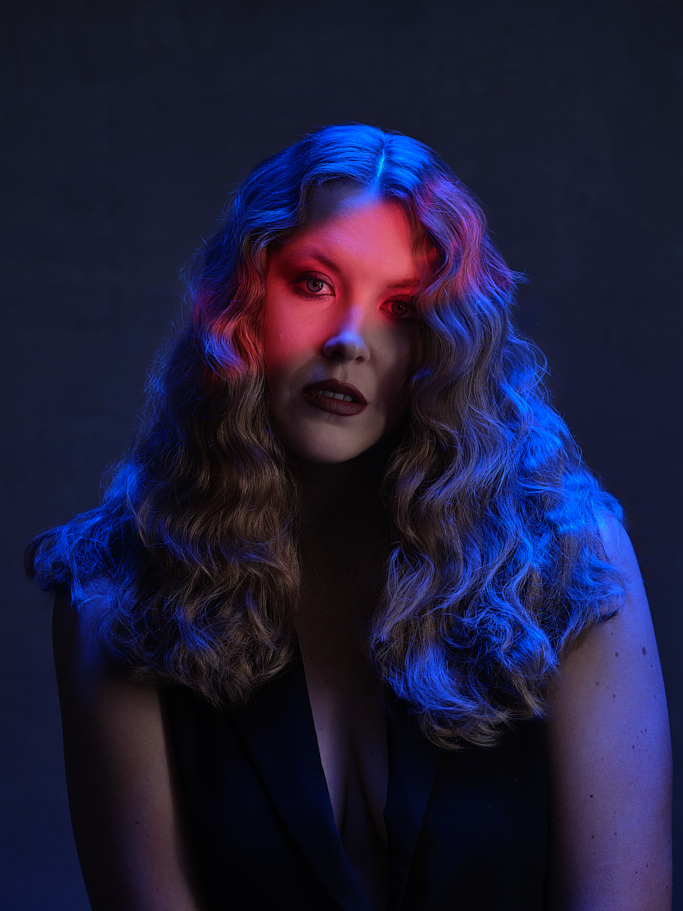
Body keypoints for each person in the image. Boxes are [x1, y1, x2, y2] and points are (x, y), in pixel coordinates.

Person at [27, 124, 672, 911]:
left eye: (401, 306)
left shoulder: (568, 562)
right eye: (313, 283)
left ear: (446, 341)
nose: (347, 342)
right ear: (241, 299)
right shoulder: (115, 595)